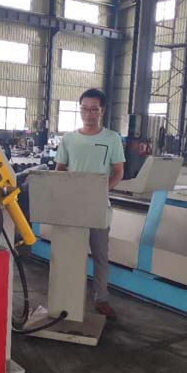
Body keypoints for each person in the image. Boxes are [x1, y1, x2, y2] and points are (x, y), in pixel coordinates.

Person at [54, 88, 125, 320]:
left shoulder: (112, 139)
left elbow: (118, 172)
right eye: (84, 109)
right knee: (70, 253)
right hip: (72, 207)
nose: (89, 114)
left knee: (100, 255)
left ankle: (101, 298)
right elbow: (60, 169)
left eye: (94, 110)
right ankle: (68, 295)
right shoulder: (69, 139)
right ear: (80, 110)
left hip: (98, 206)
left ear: (102, 111)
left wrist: (101, 191)